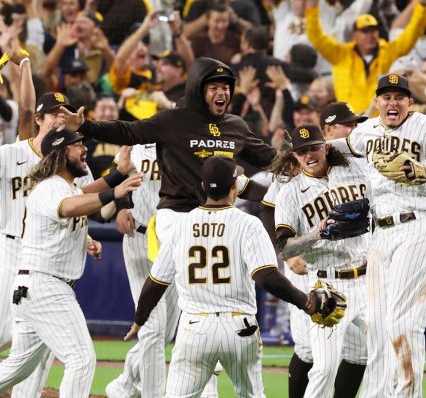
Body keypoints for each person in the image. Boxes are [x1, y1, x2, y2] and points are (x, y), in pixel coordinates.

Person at [0, 90, 131, 397]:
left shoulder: (66, 181)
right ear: (60, 153)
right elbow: (70, 206)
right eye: (77, 145)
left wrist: (115, 177)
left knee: (19, 364)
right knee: (80, 358)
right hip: (43, 283)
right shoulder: (48, 186)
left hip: (37, 280)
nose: (84, 149)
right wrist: (114, 190)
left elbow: (81, 199)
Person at [58, 56, 277, 308]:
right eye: (214, 87)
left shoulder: (236, 126)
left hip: (217, 218)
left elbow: (271, 158)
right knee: (190, 297)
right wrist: (86, 125)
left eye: (226, 87)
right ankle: (149, 320)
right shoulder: (173, 121)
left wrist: (305, 156)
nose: (222, 92)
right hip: (178, 215)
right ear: (198, 88)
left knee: (205, 298)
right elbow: (127, 130)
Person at [124, 156, 340, 398]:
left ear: (203, 187)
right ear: (235, 186)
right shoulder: (248, 224)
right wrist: (306, 302)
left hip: (195, 327)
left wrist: (140, 318)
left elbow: (156, 282)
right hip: (240, 326)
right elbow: (267, 277)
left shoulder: (181, 226)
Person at [335, 73, 426, 397]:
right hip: (380, 235)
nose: (393, 102)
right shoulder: (367, 130)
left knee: (401, 322)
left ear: (409, 102)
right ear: (376, 102)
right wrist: (300, 150)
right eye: (386, 96)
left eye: (400, 96)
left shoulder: (424, 126)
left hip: (418, 227)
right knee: (376, 326)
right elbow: (339, 147)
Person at [104, 142, 218, 398]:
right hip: (140, 238)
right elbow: (117, 179)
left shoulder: (190, 147)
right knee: (153, 329)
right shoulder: (134, 144)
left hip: (177, 243)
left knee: (163, 333)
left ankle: (124, 385)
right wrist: (121, 207)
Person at [272, 125, 370, 398]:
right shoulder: (290, 193)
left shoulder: (354, 170)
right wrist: (318, 233)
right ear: (294, 157)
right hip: (330, 287)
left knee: (366, 356)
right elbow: (285, 249)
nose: (308, 155)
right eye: (302, 152)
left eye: (313, 148)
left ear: (326, 146)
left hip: (369, 279)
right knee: (324, 367)